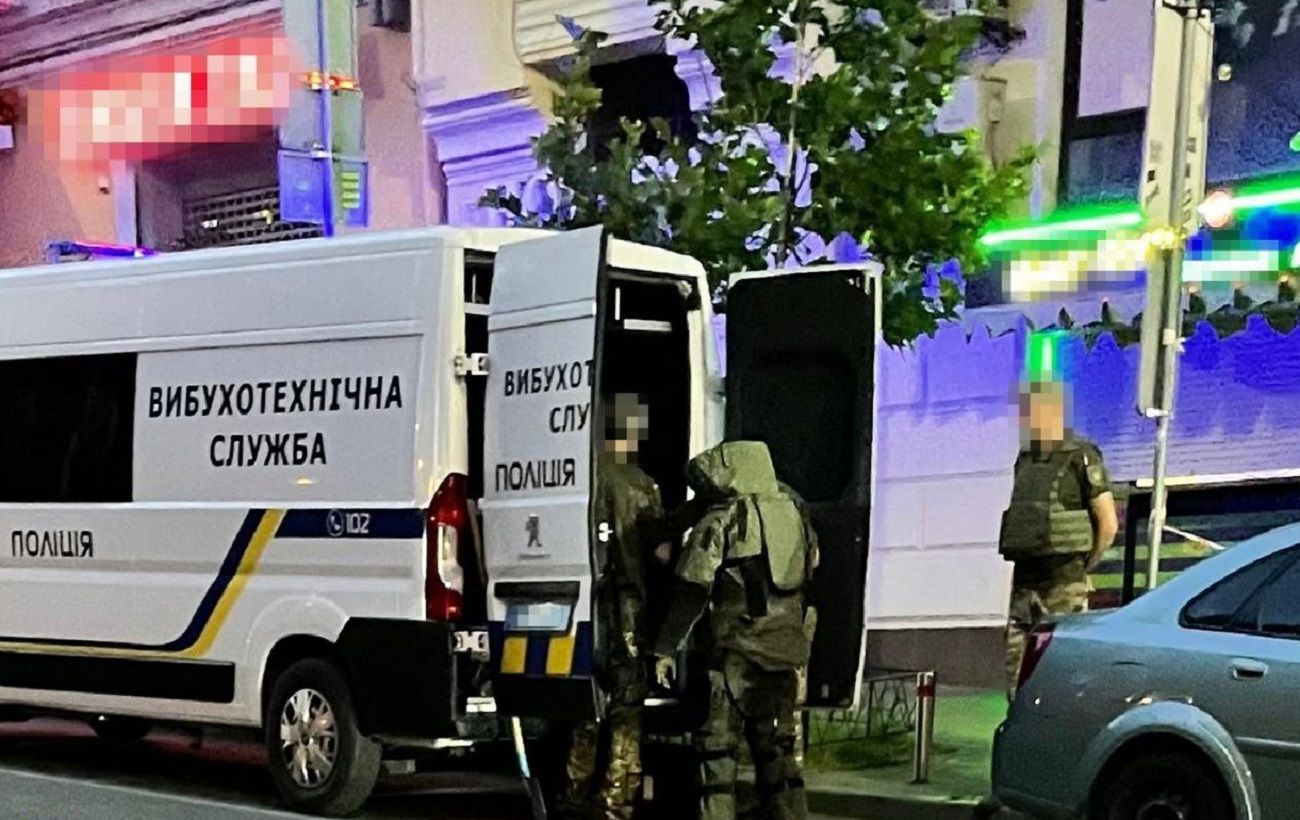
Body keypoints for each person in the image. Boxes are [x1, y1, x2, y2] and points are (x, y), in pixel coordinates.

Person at [651, 441, 816, 820]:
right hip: (783, 658)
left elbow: (692, 588)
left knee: (718, 764)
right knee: (779, 764)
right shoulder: (793, 512)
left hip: (731, 661)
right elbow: (810, 570)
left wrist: (665, 648)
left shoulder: (724, 519)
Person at [562, 394, 663, 820]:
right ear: (633, 431)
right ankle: (614, 800)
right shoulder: (639, 484)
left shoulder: (583, 475)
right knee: (626, 706)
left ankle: (574, 791)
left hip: (587, 602)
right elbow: (658, 550)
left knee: (587, 707)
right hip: (627, 605)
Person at [1000, 379, 1118, 701]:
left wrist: (1082, 568)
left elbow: (1108, 524)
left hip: (1064, 583)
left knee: (1061, 677)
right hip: (1024, 586)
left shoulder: (1081, 454)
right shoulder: (1026, 457)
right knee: (1016, 680)